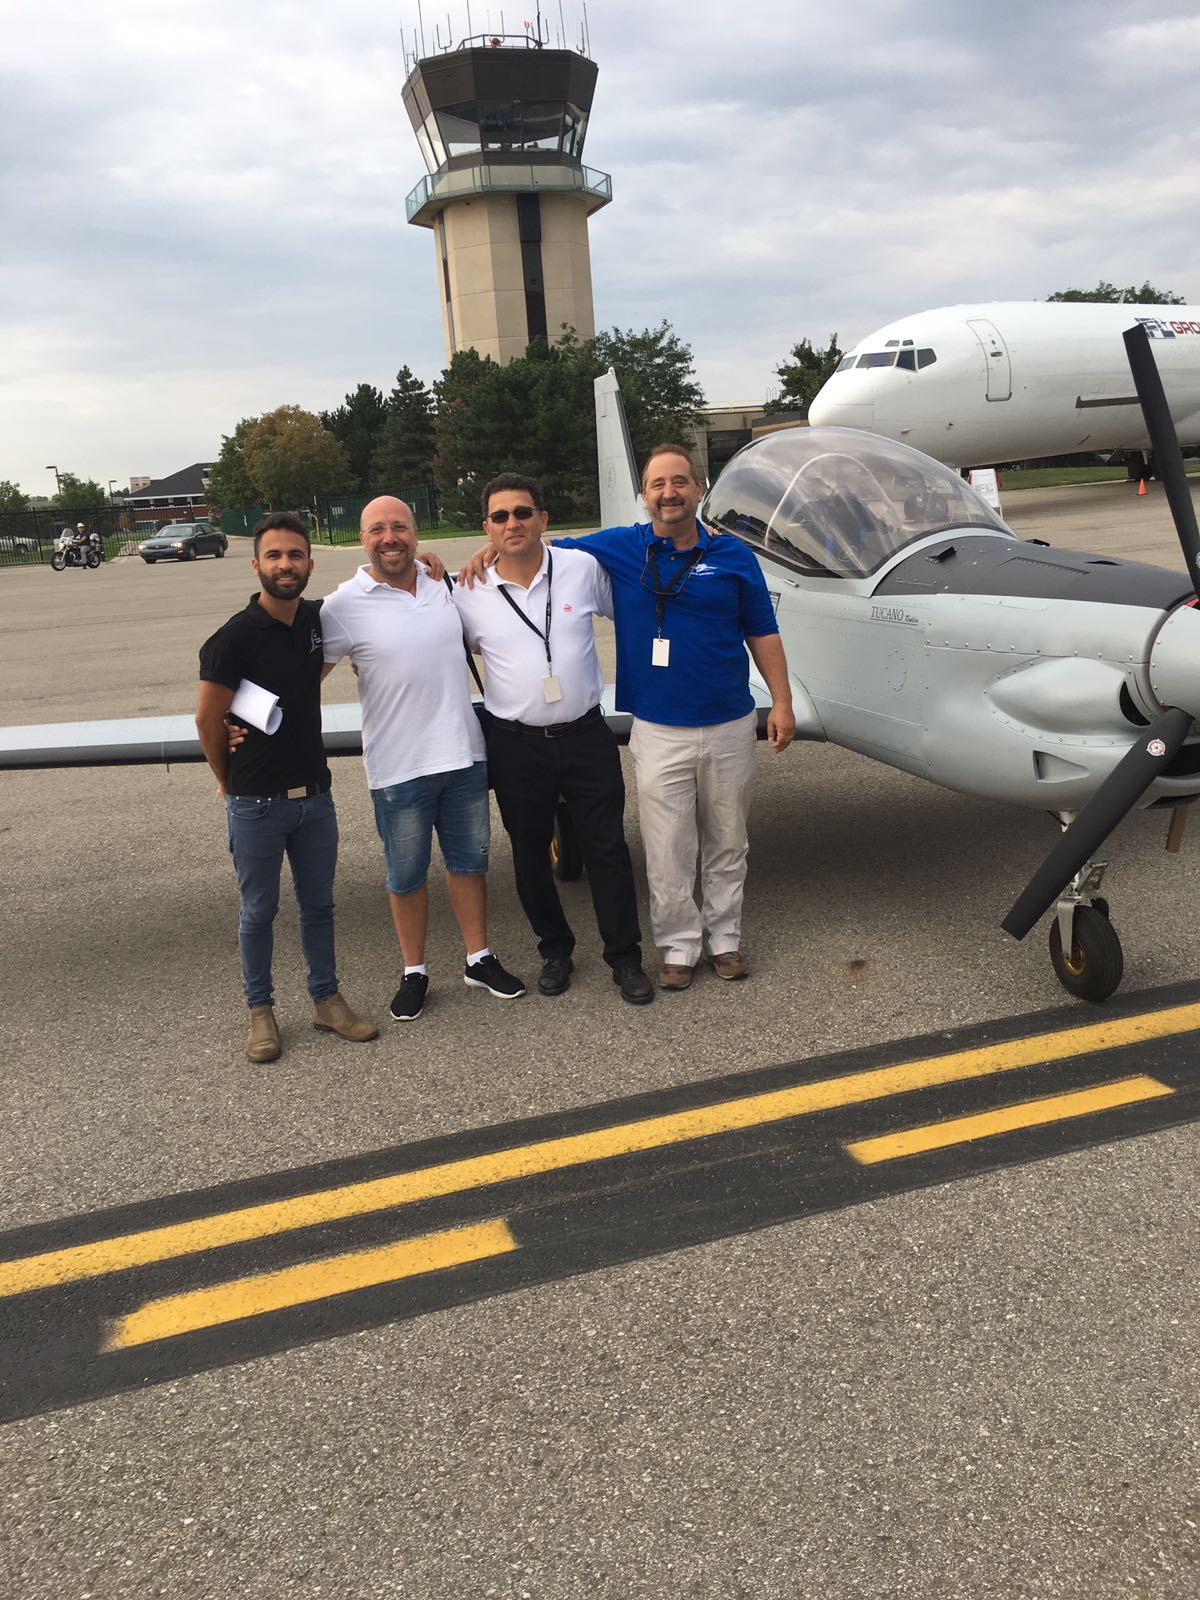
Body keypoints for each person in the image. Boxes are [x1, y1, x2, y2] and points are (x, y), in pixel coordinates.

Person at [466, 446, 795, 990]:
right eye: (658, 484)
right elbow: (536, 545)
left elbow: (763, 630)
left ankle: (724, 939)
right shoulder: (620, 547)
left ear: (699, 489)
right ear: (644, 496)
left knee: (727, 839)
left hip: (729, 721)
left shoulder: (734, 556)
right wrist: (491, 547)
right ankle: (678, 947)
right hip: (657, 726)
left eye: (679, 482)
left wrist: (780, 701)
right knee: (666, 848)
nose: (669, 493)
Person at [319, 495, 525, 1023]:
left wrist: (485, 549)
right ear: (362, 539)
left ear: (416, 534)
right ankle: (415, 971)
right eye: (378, 529)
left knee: (469, 865)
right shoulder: (343, 605)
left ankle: (478, 958)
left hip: (463, 756)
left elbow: (502, 564)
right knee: (405, 876)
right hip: (398, 767)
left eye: (400, 527)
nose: (390, 538)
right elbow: (303, 678)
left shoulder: (445, 586)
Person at [452, 473, 652, 1005]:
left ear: (543, 519)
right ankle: (555, 950)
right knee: (529, 853)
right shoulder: (467, 590)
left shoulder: (581, 568)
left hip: (585, 734)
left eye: (523, 512)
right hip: (515, 743)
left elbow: (632, 597)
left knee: (608, 848)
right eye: (500, 516)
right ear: (486, 528)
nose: (512, 523)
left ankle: (625, 956)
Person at [195, 512, 378, 1063]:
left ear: (309, 565)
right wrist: (226, 782)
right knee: (258, 911)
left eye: (295, 555)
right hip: (256, 802)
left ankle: (327, 1000)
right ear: (256, 565)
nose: (285, 565)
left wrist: (430, 561)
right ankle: (260, 1011)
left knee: (319, 905)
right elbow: (207, 719)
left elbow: (375, 582)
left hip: (315, 797)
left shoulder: (317, 622)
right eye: (274, 556)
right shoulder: (232, 638)